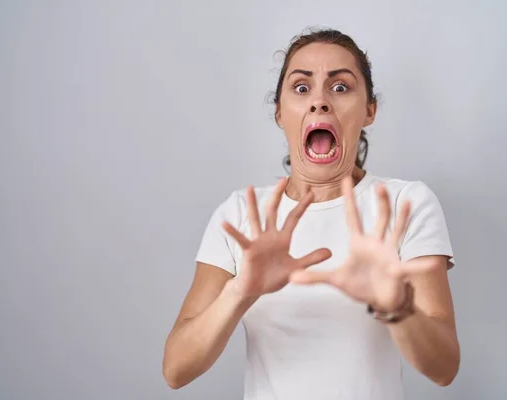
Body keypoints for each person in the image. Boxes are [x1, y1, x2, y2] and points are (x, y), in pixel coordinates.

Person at [162, 27, 460, 400]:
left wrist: (395, 302)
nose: (319, 101)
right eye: (301, 88)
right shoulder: (243, 215)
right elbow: (176, 369)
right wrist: (240, 292)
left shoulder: (404, 205)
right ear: (280, 113)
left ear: (369, 110)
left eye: (340, 87)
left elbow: (445, 367)